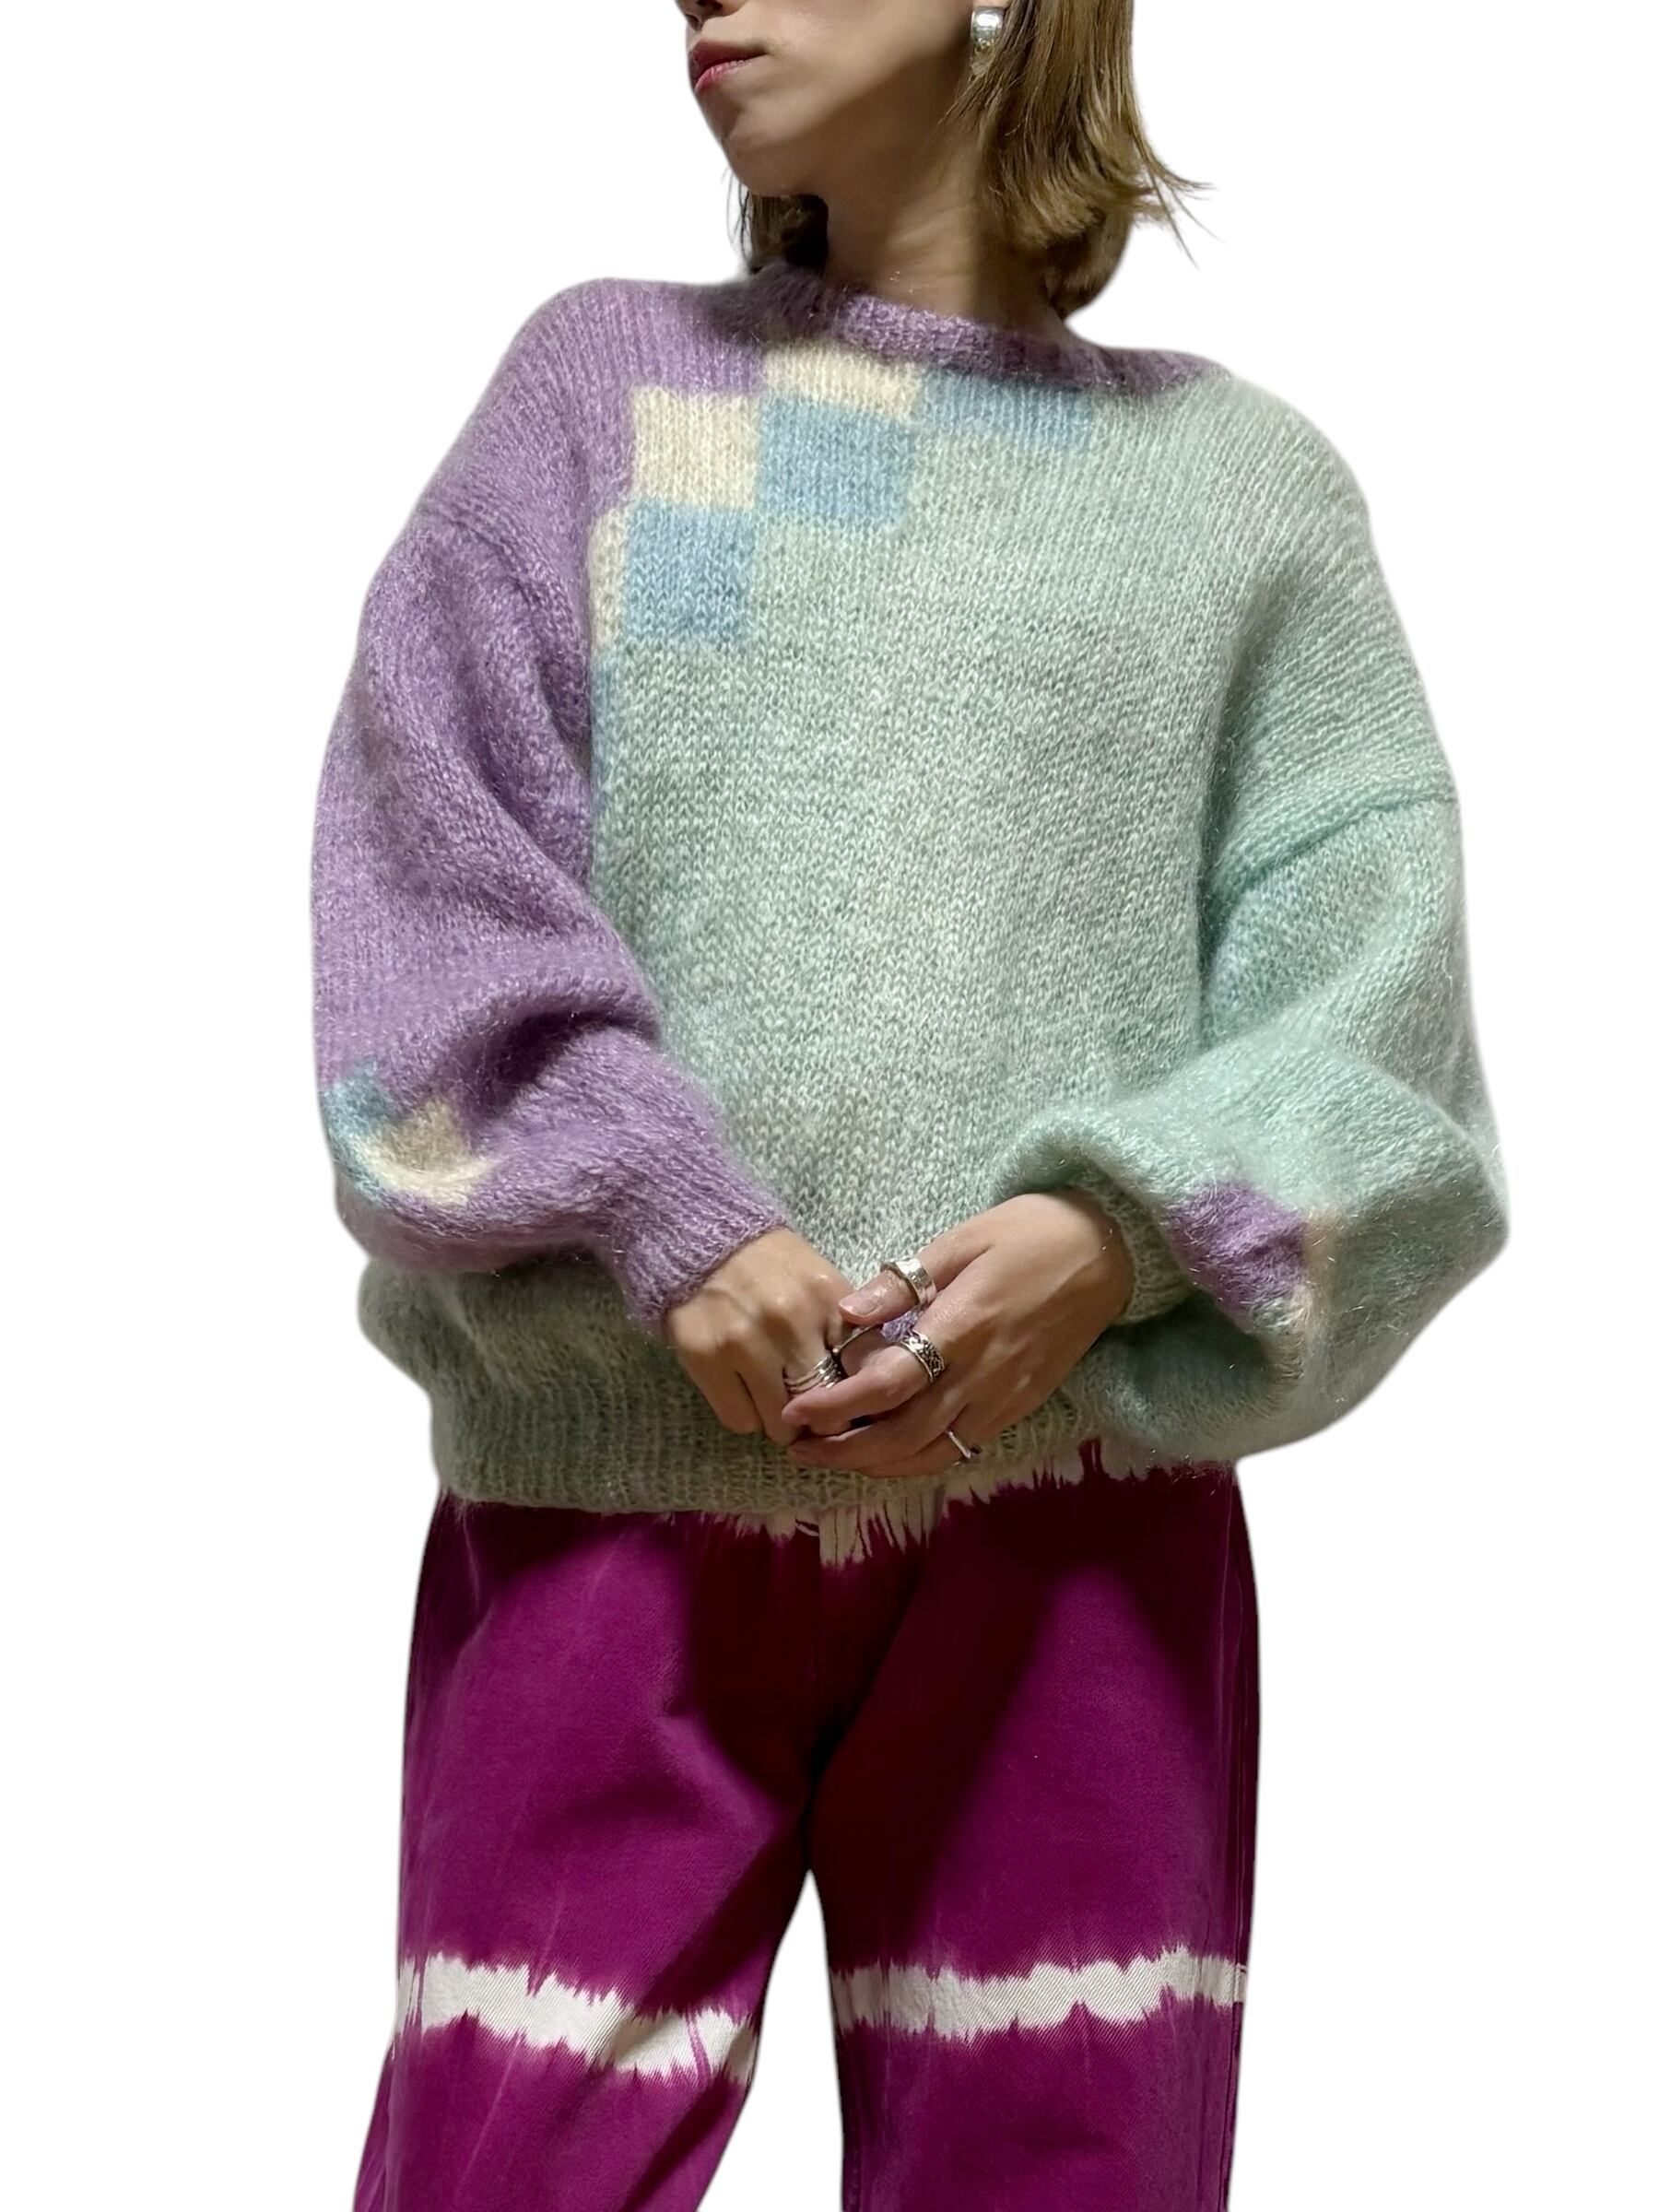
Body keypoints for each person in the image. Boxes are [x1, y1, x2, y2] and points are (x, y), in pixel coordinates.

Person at [311, 3, 1510, 2205]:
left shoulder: (1239, 495)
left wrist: (1114, 1233)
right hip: (606, 1515)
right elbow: (428, 884)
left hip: (1081, 1548)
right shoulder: (601, 398)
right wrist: (669, 1210)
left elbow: (1383, 1017)